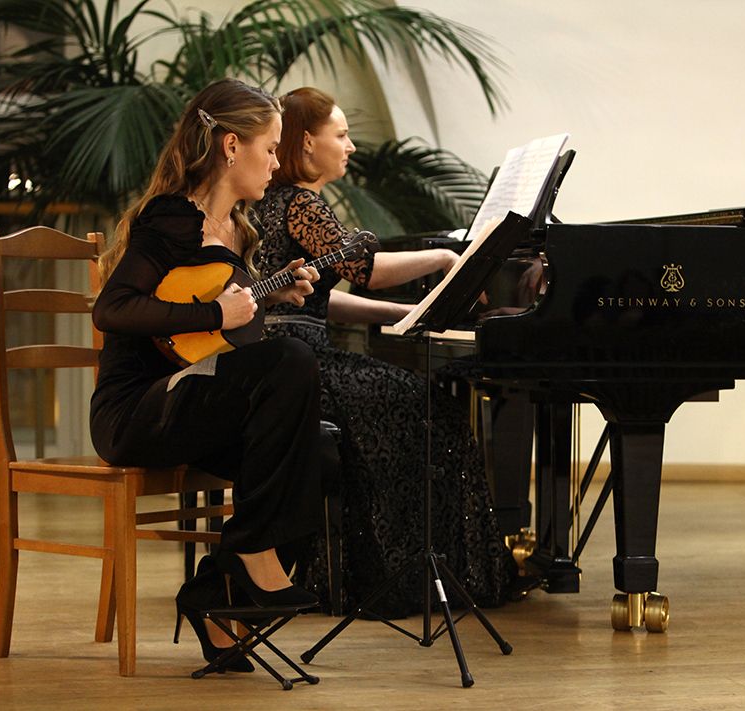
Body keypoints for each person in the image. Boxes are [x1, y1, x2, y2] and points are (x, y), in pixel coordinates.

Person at [254, 87, 517, 618]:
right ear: (308, 143)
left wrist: (402, 312)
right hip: (302, 366)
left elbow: (320, 300)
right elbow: (365, 270)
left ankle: (383, 568)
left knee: (418, 404)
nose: (351, 146)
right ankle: (408, 573)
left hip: (286, 358)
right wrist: (444, 257)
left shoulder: (273, 200)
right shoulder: (301, 203)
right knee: (434, 410)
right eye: (342, 134)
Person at [90, 78, 322, 672]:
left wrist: (271, 297)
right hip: (138, 411)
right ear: (230, 146)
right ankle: (249, 551)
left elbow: (215, 340)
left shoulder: (239, 231)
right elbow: (112, 309)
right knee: (292, 360)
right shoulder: (171, 219)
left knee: (323, 449)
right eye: (270, 148)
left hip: (193, 405)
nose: (277, 162)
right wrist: (217, 312)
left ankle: (213, 596)